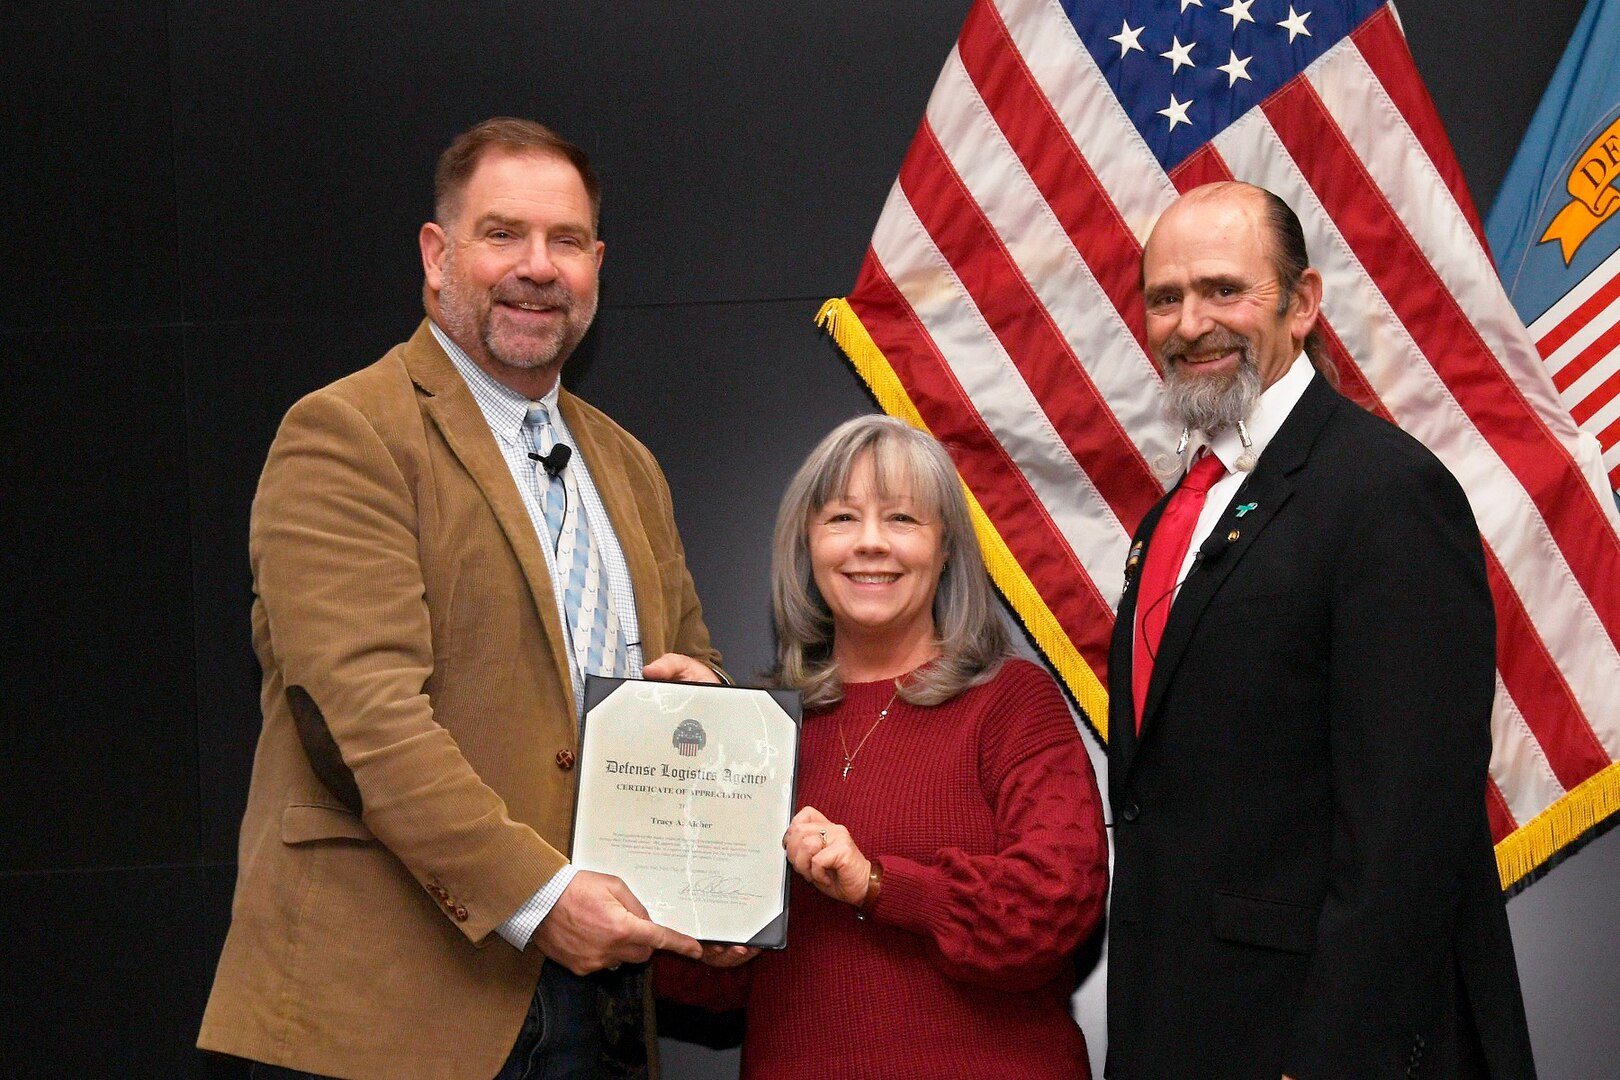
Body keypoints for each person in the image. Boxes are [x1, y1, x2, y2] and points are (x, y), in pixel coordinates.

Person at [198, 117, 722, 1080]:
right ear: (438, 256)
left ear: (597, 266)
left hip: (598, 1015)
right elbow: (364, 724)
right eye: (502, 234)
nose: (538, 266)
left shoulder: (629, 466)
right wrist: (542, 897)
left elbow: (692, 664)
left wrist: (699, 713)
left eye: (566, 241)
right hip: (385, 1017)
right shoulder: (348, 433)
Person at [1105, 181, 1536, 1079]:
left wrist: (1332, 1059)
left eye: (1225, 290)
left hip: (1322, 1046)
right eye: (1165, 298)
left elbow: (1410, 832)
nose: (1189, 325)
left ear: (1303, 304)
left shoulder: (1385, 493)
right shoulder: (1169, 520)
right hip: (1181, 1034)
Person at [656, 415, 1109, 1079]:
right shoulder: (754, 732)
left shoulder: (1014, 703)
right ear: (806, 544)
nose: (870, 544)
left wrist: (876, 884)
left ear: (947, 545)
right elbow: (708, 991)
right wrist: (705, 939)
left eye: (902, 519)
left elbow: (1053, 911)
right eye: (842, 518)